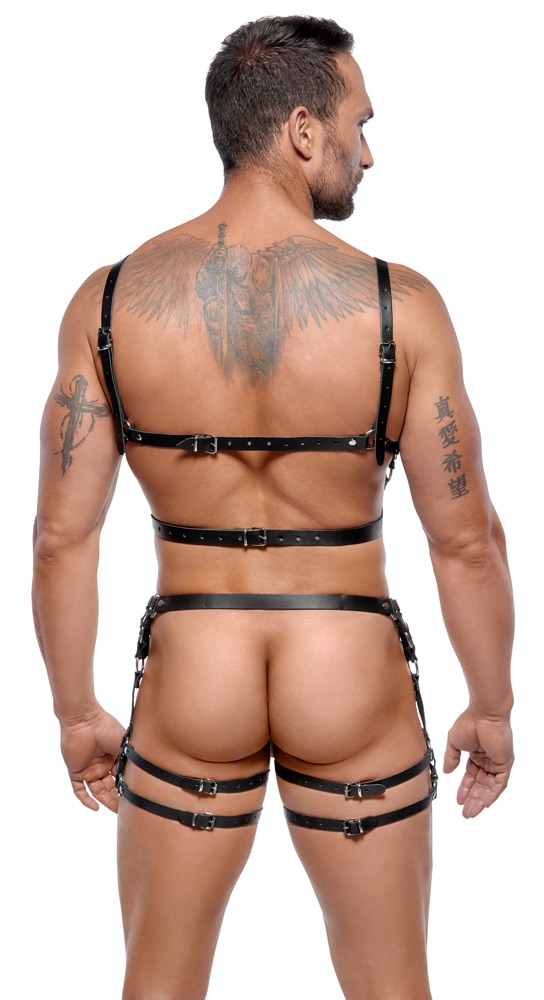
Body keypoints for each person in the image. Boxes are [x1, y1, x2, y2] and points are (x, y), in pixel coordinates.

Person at [32, 14, 514, 1000]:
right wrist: (492, 704)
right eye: (358, 124)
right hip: (347, 664)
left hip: (194, 666)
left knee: (157, 985)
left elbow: (61, 537)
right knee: (392, 987)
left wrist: (76, 710)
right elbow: (466, 541)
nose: (367, 152)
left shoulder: (108, 302)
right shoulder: (401, 305)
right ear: (301, 129)